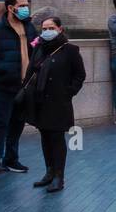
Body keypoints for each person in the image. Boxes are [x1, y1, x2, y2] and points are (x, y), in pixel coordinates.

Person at [21, 16, 85, 193]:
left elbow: (79, 75)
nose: (47, 32)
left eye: (51, 28)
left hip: (59, 102)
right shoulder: (39, 48)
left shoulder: (70, 50)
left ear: (60, 29)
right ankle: (49, 173)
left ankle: (59, 176)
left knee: (57, 139)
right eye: (44, 29)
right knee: (45, 137)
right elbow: (31, 71)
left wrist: (68, 92)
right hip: (40, 100)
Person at [0, 0, 37, 178]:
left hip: (25, 84)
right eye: (21, 5)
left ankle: (11, 159)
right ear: (11, 8)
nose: (25, 8)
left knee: (18, 123)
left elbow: (37, 50)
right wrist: (1, 67)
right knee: (0, 123)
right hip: (5, 83)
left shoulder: (30, 28)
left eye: (26, 5)